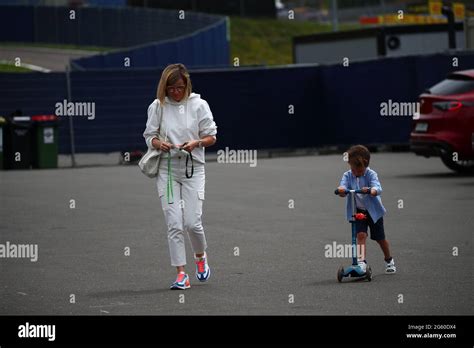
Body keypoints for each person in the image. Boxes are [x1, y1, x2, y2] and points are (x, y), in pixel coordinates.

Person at [143, 63, 217, 289]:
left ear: (187, 86)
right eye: (171, 88)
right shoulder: (158, 106)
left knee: (192, 223)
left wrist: (196, 143)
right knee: (174, 223)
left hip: (193, 167)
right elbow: (149, 136)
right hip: (167, 169)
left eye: (180, 87)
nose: (175, 92)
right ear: (164, 87)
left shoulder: (199, 105)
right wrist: (159, 143)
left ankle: (200, 257)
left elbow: (212, 136)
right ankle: (181, 274)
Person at [337, 145, 396, 274]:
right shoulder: (348, 175)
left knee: (379, 238)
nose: (355, 173)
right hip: (358, 211)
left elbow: (377, 187)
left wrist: (371, 190)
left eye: (358, 171)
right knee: (361, 235)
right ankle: (361, 262)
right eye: (352, 169)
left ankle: (389, 260)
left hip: (373, 212)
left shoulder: (371, 174)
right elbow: (343, 187)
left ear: (365, 165)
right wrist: (341, 190)